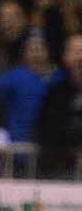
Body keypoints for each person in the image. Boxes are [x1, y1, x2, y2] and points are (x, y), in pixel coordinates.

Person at [35, 33, 82, 178]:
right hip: (60, 172)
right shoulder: (55, 94)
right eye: (75, 52)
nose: (80, 58)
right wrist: (71, 156)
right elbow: (46, 133)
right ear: (65, 58)